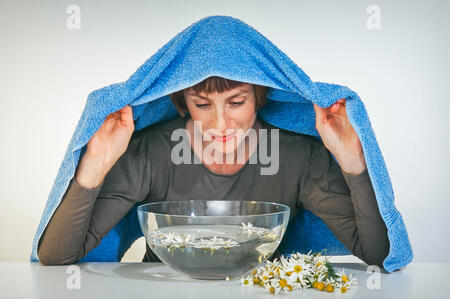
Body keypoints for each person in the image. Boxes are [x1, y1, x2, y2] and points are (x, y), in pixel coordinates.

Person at [37, 77, 390, 267]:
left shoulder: (299, 157)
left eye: (237, 102)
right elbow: (57, 255)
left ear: (259, 97)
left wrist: (351, 161)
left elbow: (376, 252)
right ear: (182, 101)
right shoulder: (149, 152)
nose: (220, 123)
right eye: (202, 104)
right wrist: (96, 163)